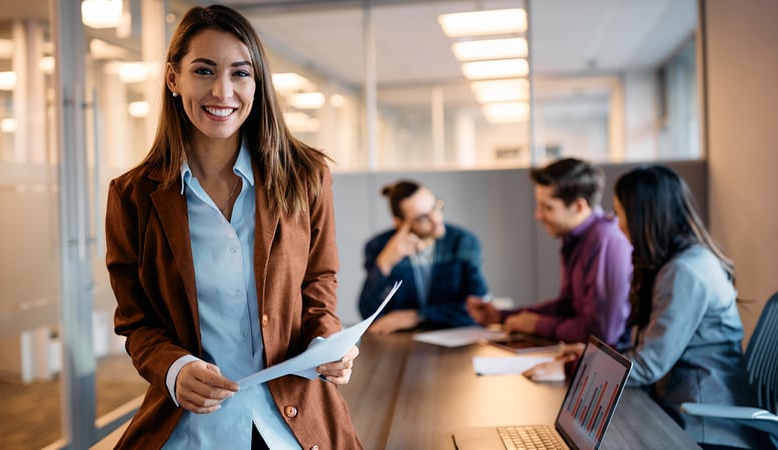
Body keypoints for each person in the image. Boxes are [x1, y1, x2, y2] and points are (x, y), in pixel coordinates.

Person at [104, 5, 362, 449]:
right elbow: (137, 322)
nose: (222, 90)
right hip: (193, 429)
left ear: (257, 84)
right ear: (173, 79)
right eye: (203, 70)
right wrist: (173, 368)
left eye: (240, 74)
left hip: (291, 423)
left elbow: (319, 282)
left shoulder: (306, 176)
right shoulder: (132, 196)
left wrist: (328, 341)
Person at [523, 165, 763, 449]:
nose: (615, 221)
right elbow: (650, 349)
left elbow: (650, 365)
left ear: (642, 217)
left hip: (703, 423)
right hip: (679, 405)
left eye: (620, 213)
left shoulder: (685, 271)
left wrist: (579, 368)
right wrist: (594, 358)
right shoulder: (676, 262)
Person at [466, 158, 632, 346]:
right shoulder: (575, 238)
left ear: (578, 206)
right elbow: (567, 307)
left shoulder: (606, 241)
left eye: (548, 207)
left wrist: (538, 325)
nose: (538, 215)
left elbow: (602, 333)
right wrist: (501, 316)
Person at [358, 180, 490, 334]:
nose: (436, 220)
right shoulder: (379, 246)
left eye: (435, 207)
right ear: (399, 223)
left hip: (453, 338)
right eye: (422, 218)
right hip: (400, 342)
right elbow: (368, 313)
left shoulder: (463, 242)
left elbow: (478, 310)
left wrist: (417, 316)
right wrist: (385, 263)